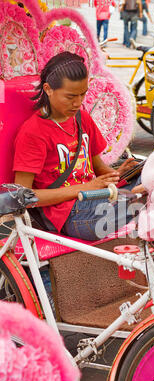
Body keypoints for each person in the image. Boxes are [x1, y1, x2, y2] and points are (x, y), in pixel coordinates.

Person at [13, 52, 142, 241]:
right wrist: (85, 188)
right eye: (70, 96)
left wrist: (117, 175)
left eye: (83, 94)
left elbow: (97, 168)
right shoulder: (33, 133)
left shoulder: (82, 118)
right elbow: (21, 197)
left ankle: (144, 195)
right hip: (72, 216)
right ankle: (145, 198)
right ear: (48, 89)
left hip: (100, 197)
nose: (78, 102)